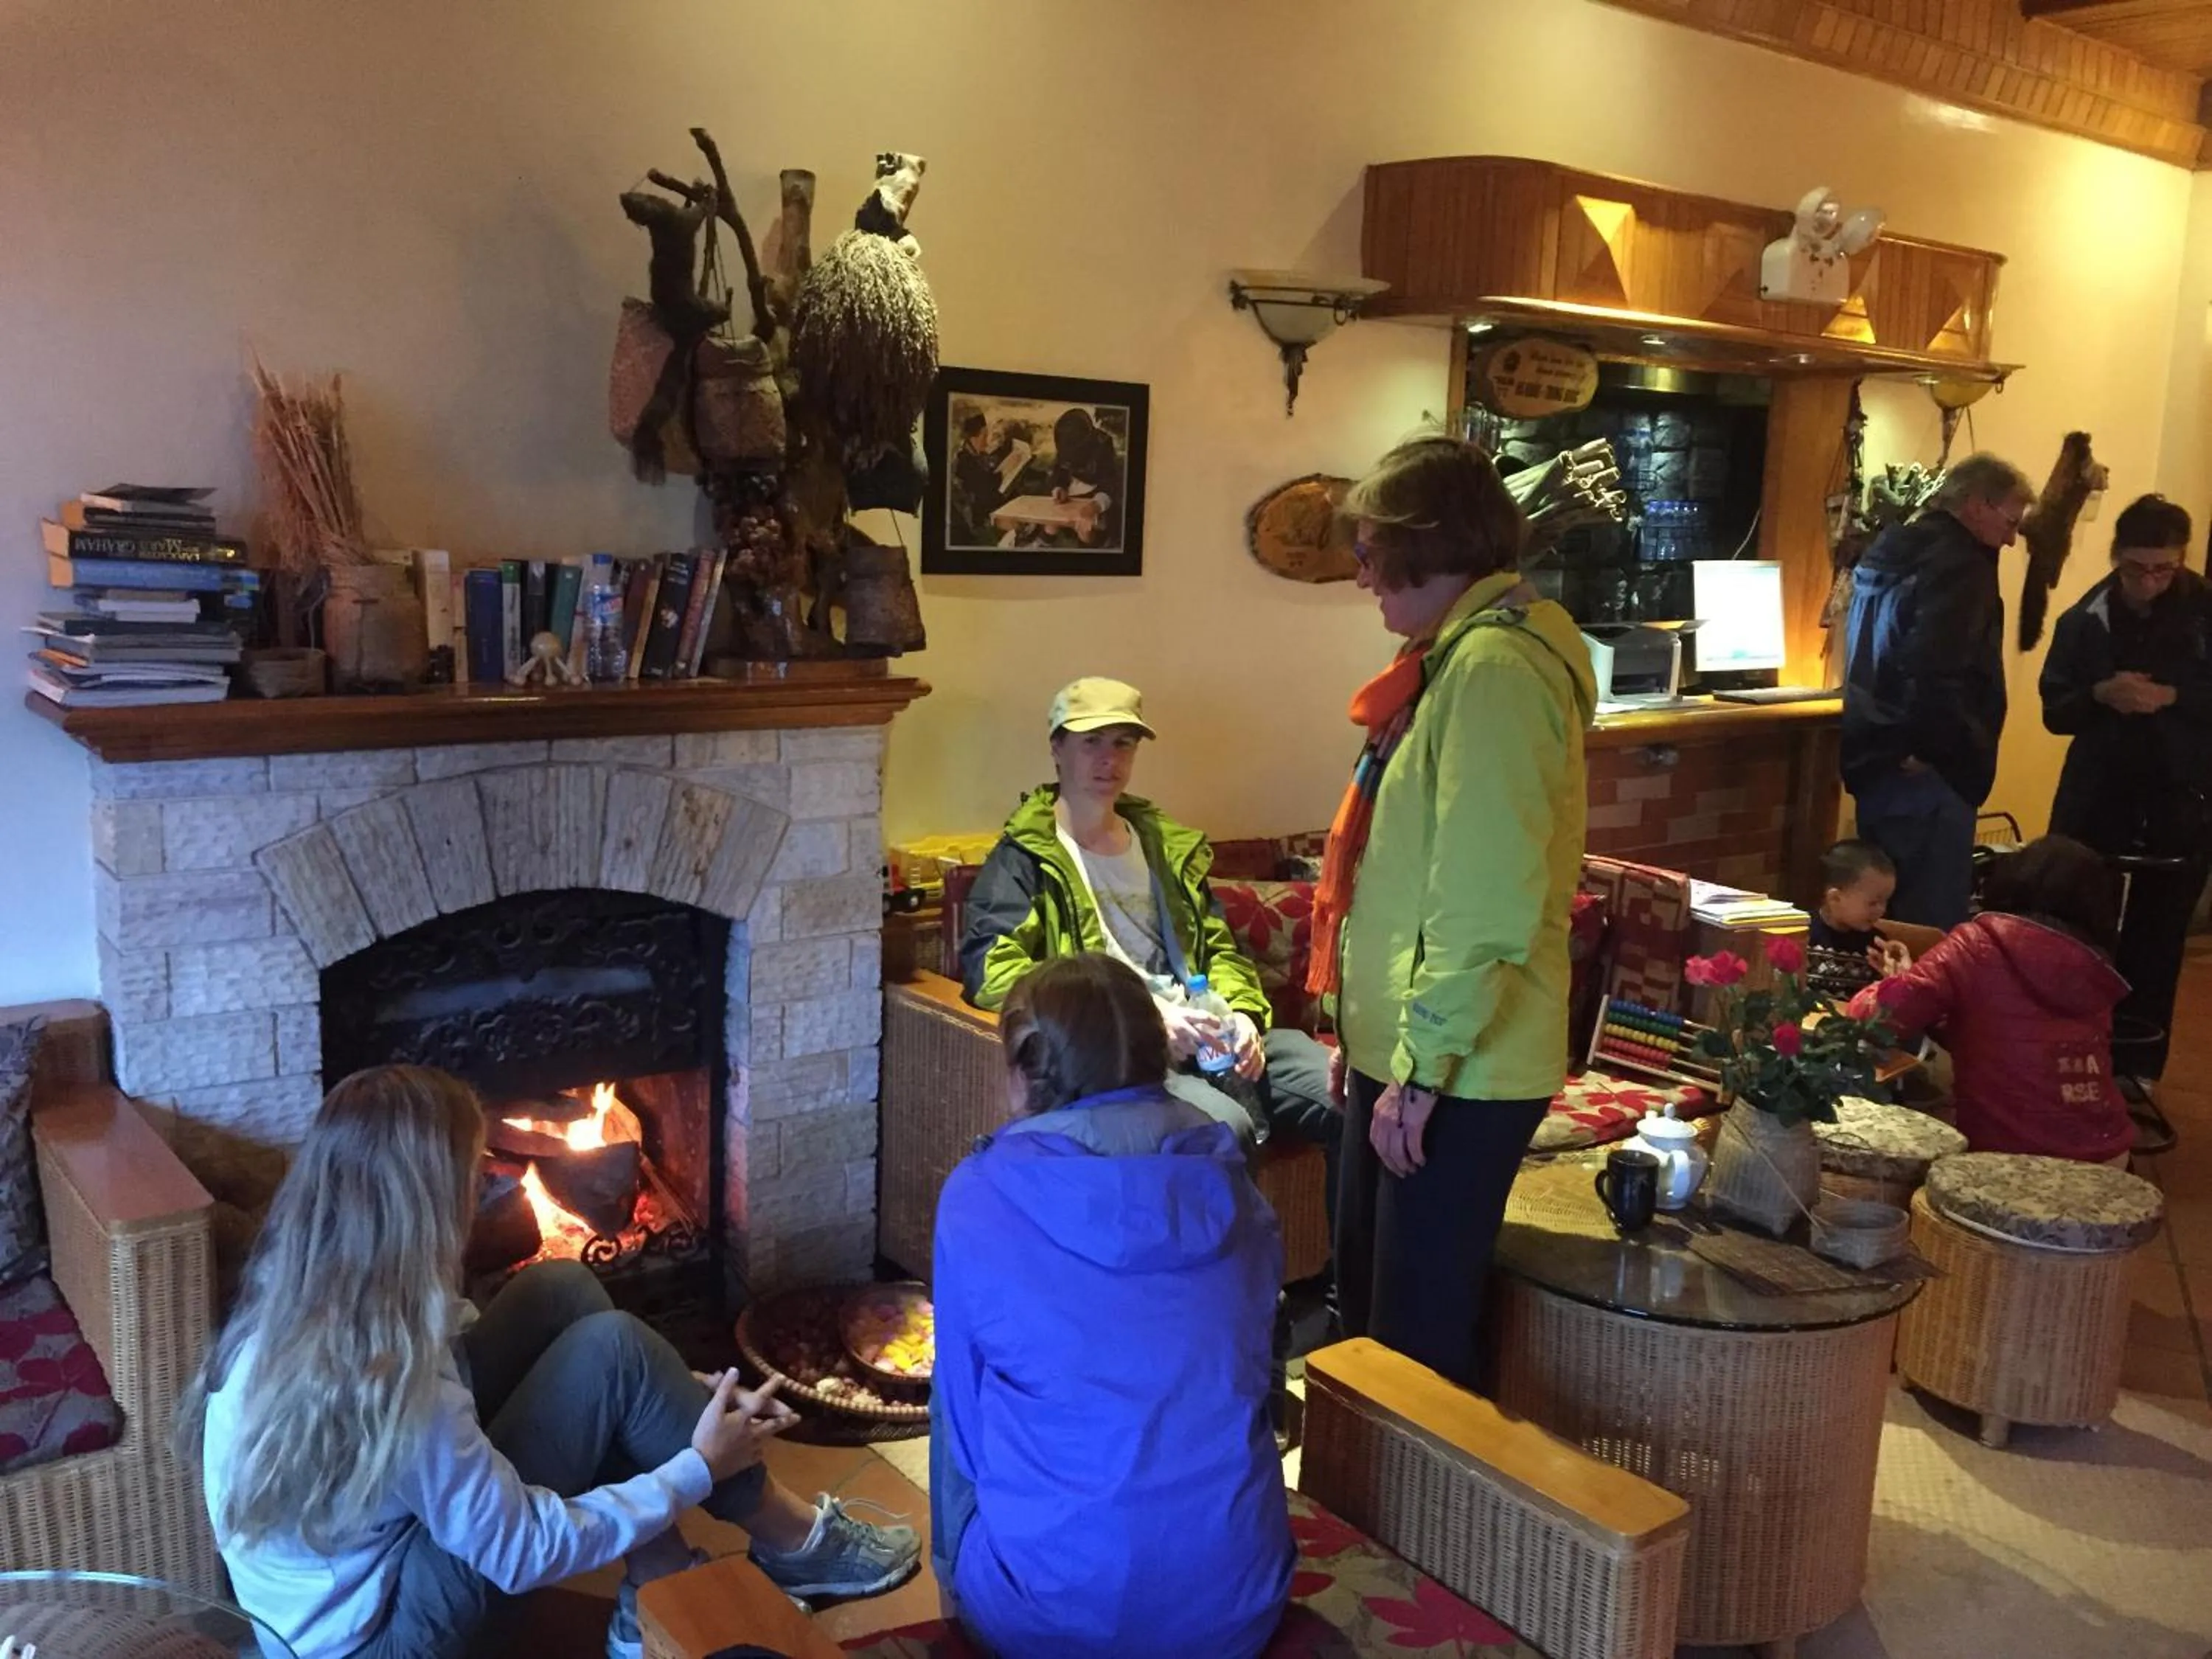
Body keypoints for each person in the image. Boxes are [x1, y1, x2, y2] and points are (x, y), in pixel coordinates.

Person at [179, 1065, 919, 1659]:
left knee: (559, 1290)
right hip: (381, 1636)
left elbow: (457, 1369)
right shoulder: (388, 1375)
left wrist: (662, 1397)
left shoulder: (313, 1284)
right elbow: (520, 1549)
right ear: (421, 1205)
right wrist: (697, 1466)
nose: (485, 1188)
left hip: (371, 1560)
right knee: (614, 1353)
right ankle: (795, 1541)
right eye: (471, 1176)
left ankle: (660, 1582)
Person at [1314, 435, 1595, 1388]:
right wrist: (1370, 1040)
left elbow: (1481, 902)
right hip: (1412, 1051)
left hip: (1462, 1066)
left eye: (1370, 552)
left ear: (1426, 545)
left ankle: (1421, 1531)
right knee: (1369, 1318)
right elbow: (1405, 877)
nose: (1361, 577)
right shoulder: (1448, 659)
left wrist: (1423, 1069)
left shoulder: (1495, 674)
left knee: (1416, 1346)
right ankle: (1364, 1515)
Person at [930, 953, 1293, 1659]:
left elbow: (962, 1416)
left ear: (1024, 1072)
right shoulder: (1236, 1187)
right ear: (1162, 1060)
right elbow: (1256, 1379)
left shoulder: (977, 1196)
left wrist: (955, 1580)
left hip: (1049, 1619)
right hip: (1237, 1604)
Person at [959, 676, 1340, 1175]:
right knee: (1225, 1130)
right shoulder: (1026, 856)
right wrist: (1147, 1018)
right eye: (1090, 742)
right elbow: (992, 972)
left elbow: (1221, 949)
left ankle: (1352, 1257)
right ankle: (1225, 1253)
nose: (1108, 760)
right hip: (1125, 1055)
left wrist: (1245, 1016)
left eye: (1124, 743)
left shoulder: (1163, 843)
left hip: (1212, 1030)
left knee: (1347, 1096)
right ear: (1057, 748)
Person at [2039, 493, 2212, 1081]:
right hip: (2099, 793)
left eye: (2165, 569)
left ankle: (2137, 1065)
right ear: (2116, 557)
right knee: (2080, 924)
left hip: (2182, 796)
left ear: (2182, 560)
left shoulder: (2204, 614)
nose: (2150, 582)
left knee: (2160, 937)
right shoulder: (2087, 617)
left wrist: (2174, 698)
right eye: (2136, 568)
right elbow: (2054, 708)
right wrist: (2099, 694)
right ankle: (2071, 1052)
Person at [1846, 836, 2132, 1164]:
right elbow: (2013, 1039)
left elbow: (1875, 1019)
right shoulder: (2094, 963)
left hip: (2012, 1157)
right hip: (2108, 1153)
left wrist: (1896, 983)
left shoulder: (1977, 944)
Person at [1842, 452, 2035, 928]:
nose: (2011, 539)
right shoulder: (1961, 564)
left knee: (1875, 919)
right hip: (1927, 772)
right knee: (1928, 932)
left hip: (1873, 758)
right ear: (1975, 505)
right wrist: (1936, 749)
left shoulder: (1890, 546)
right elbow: (1936, 666)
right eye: (2010, 521)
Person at [1805, 838, 1912, 1002]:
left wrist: (1891, 980)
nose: (1882, 910)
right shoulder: (1802, 934)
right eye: (1873, 903)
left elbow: (1885, 1006)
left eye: (1885, 901)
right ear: (1835, 898)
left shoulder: (1877, 948)